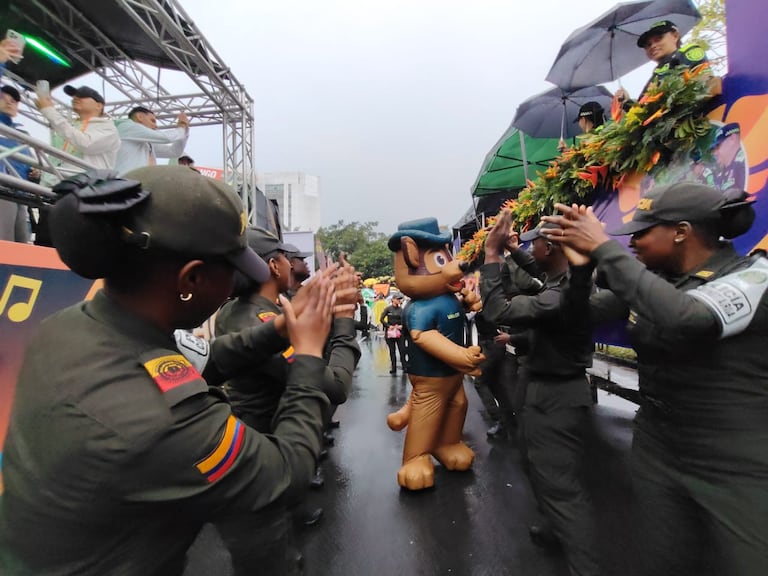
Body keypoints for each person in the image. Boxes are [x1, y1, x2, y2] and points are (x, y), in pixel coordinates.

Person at [0, 166, 336, 576]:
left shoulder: (77, 324)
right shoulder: (164, 419)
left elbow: (205, 358)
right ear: (190, 278)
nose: (238, 281)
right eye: (232, 268)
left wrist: (281, 330)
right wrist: (309, 355)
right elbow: (285, 473)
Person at [542, 182, 768, 576]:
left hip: (736, 463)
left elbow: (687, 318)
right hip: (659, 451)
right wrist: (581, 272)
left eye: (643, 231)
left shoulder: (753, 276)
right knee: (664, 561)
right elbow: (576, 321)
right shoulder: (653, 281)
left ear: (681, 232)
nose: (633, 241)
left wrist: (603, 248)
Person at [214, 226, 359, 574]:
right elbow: (334, 386)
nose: (294, 267)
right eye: (286, 258)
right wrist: (343, 323)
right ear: (274, 266)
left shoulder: (232, 312)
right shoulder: (261, 318)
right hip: (270, 442)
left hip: (250, 432)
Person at [480, 214, 600, 576]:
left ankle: (584, 565)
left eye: (534, 242)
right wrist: (514, 249)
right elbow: (538, 269)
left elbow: (497, 310)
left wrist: (491, 253)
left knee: (562, 488)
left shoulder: (561, 294)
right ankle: (553, 527)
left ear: (551, 247)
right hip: (543, 386)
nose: (530, 248)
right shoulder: (561, 280)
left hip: (555, 393)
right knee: (538, 467)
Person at [473, 223, 543, 438]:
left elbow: (522, 283)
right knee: (504, 385)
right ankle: (509, 423)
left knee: (518, 395)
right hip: (516, 346)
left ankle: (511, 424)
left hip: (529, 352)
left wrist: (511, 252)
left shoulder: (546, 287)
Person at [34, 84, 120, 245]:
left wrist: (50, 112)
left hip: (84, 194)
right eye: (73, 96)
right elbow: (56, 156)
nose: (76, 98)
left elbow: (85, 143)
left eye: (83, 95)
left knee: (71, 244)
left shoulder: (108, 129)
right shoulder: (70, 126)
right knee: (45, 241)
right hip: (55, 190)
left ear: (99, 105)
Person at [615, 20, 712, 104]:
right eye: (648, 44)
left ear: (675, 36)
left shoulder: (687, 52)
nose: (653, 46)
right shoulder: (655, 75)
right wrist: (626, 102)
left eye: (658, 39)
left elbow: (703, 82)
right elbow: (643, 109)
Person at [0, 40, 39, 242]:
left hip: (19, 197)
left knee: (21, 247)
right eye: (3, 97)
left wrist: (35, 174)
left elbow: (30, 172)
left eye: (15, 99)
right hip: (2, 192)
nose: (10, 101)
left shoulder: (20, 135)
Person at [114, 106, 190, 174]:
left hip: (136, 184)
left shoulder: (146, 143)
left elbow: (174, 152)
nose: (155, 126)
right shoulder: (128, 126)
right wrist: (181, 127)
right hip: (124, 183)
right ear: (140, 116)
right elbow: (165, 137)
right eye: (152, 120)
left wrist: (185, 132)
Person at [711, 122, 747, 190]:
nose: (715, 153)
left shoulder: (744, 165)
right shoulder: (721, 175)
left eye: (718, 146)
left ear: (732, 139)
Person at [381, 293, 407, 374]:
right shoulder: (388, 309)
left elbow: (405, 320)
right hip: (390, 332)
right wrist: (388, 326)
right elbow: (381, 319)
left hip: (399, 332)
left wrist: (401, 326)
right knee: (392, 351)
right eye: (397, 299)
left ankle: (404, 366)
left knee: (402, 350)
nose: (399, 300)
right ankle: (393, 367)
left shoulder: (402, 310)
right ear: (393, 300)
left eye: (400, 299)